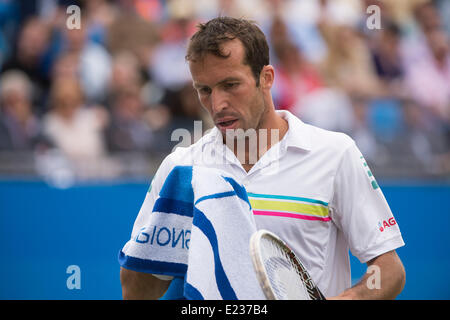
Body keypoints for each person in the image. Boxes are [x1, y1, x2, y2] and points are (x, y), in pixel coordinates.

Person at [119, 17, 405, 300]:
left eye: (230, 85)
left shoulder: (336, 153)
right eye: (204, 90)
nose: (217, 104)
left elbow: (389, 269)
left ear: (266, 78)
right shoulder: (180, 167)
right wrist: (168, 229)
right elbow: (135, 292)